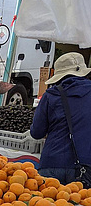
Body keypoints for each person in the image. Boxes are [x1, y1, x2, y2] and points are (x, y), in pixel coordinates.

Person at [30, 52, 91, 184]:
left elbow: (36, 132)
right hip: (84, 166)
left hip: (52, 163)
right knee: (80, 203)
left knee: (46, 203)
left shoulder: (51, 95)